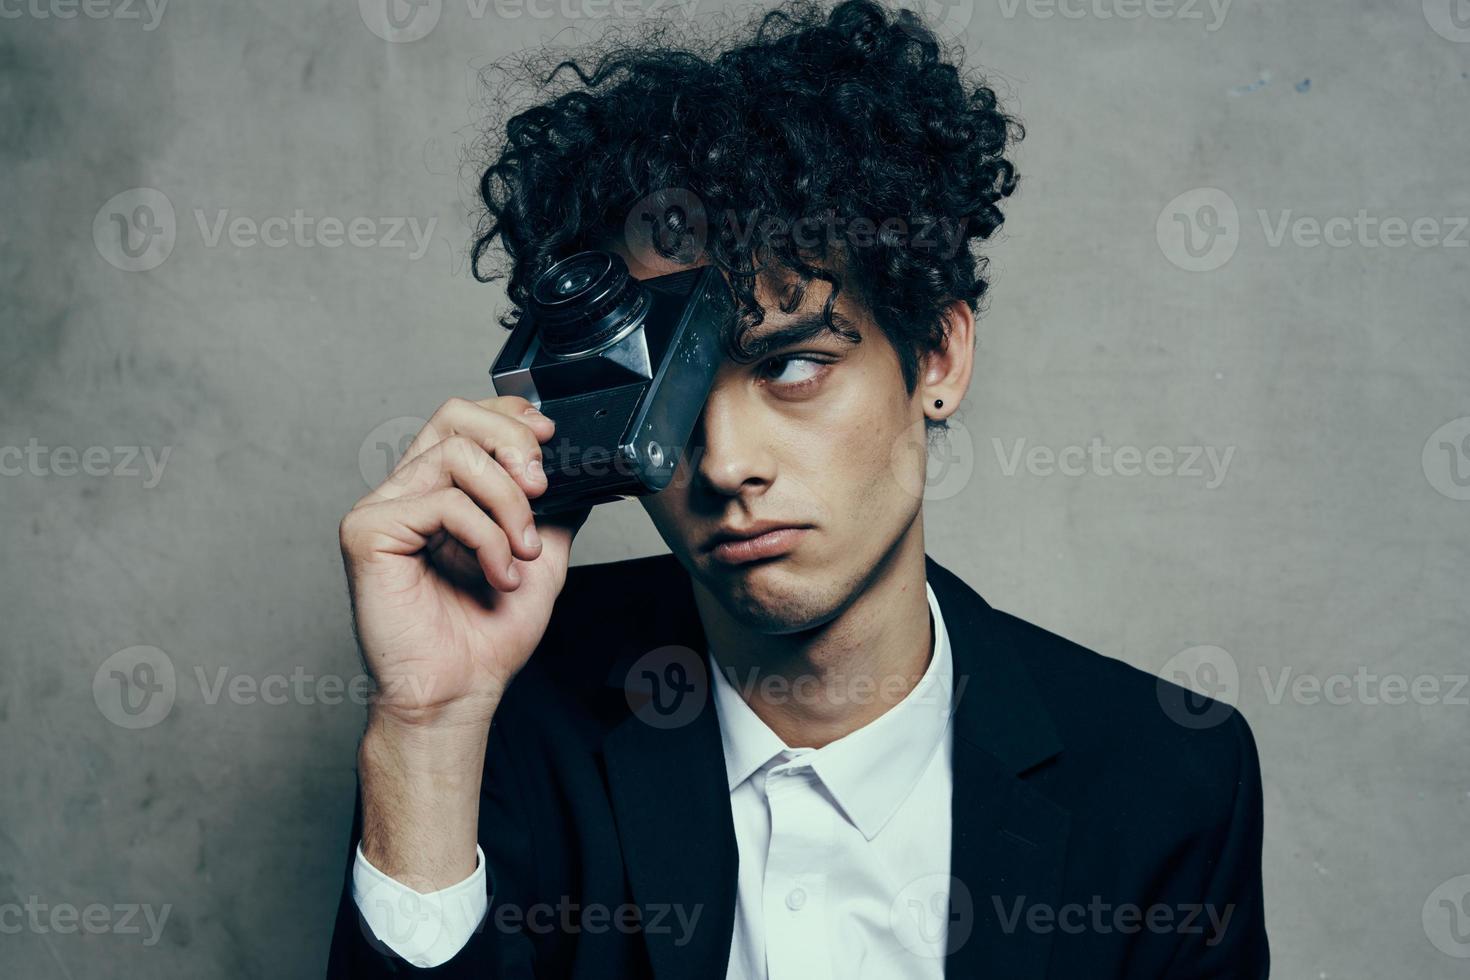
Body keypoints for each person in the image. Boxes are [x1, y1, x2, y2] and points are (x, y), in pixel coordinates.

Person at [327, 2, 1268, 976]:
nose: (727, 461)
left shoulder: (1168, 779)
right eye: (673, 393)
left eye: (791, 366)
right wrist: (426, 732)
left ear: (937, 354)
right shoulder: (504, 717)